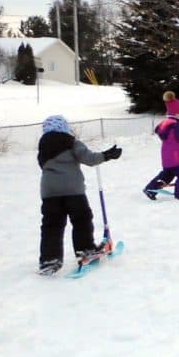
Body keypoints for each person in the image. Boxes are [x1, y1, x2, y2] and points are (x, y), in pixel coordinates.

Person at [37, 115, 122, 275]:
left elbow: (42, 165)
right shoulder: (71, 142)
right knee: (81, 220)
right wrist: (106, 155)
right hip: (72, 190)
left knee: (51, 226)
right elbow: (89, 159)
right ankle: (85, 250)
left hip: (49, 192)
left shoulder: (43, 147)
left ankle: (49, 260)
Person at [143, 91, 179, 201]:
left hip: (167, 158)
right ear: (176, 113)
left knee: (167, 175)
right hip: (177, 158)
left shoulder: (167, 124)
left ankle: (150, 189)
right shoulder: (177, 125)